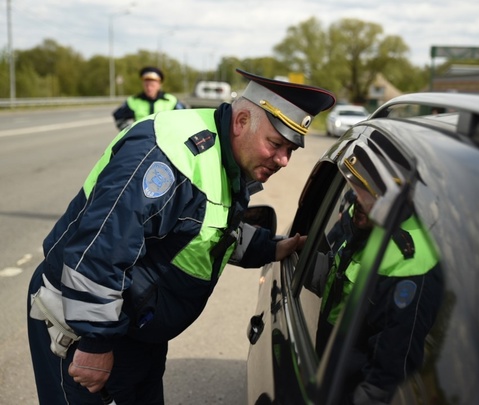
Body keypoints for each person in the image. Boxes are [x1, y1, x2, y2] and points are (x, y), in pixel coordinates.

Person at [27, 68, 336, 404]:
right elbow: (100, 248)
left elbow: (205, 231)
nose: (284, 160)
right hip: (81, 326)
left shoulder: (225, 159)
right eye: (276, 144)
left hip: (136, 332)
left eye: (291, 150)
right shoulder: (168, 156)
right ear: (241, 121)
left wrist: (273, 247)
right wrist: (95, 343)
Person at [316, 164, 443, 404]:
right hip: (327, 371)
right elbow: (334, 270)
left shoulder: (412, 263)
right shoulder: (361, 216)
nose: (358, 199)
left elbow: (386, 377)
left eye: (374, 193)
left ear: (401, 198)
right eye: (360, 187)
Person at [112, 66, 186, 131]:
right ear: (142, 84)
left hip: (165, 141)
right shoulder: (133, 101)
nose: (149, 88)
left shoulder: (171, 100)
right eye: (146, 85)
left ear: (159, 84)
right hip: (141, 141)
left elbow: (184, 118)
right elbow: (118, 117)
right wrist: (130, 132)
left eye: (152, 85)